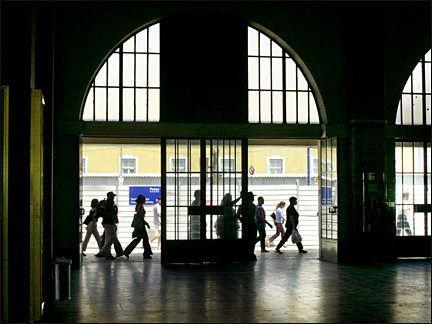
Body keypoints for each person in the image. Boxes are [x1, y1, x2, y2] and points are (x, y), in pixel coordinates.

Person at [95, 194, 125, 258]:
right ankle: (103, 251)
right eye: (112, 196)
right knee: (113, 237)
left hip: (110, 222)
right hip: (107, 222)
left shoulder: (112, 204)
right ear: (109, 196)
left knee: (108, 238)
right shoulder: (106, 203)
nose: (113, 197)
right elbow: (101, 211)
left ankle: (108, 254)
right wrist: (108, 216)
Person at [123, 194, 153, 259]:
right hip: (141, 225)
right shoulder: (141, 206)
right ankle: (146, 253)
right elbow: (140, 216)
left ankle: (127, 251)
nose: (145, 200)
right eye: (144, 199)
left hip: (140, 225)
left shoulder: (138, 206)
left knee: (139, 239)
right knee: (145, 239)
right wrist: (146, 223)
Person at [237, 191, 258, 261]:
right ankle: (251, 253)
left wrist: (242, 220)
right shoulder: (253, 206)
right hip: (252, 224)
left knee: (246, 240)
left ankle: (246, 253)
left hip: (246, 225)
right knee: (252, 240)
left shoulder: (242, 205)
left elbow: (237, 215)